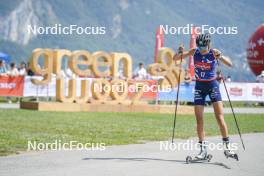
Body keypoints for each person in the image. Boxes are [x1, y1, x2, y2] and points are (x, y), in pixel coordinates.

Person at [173, 33, 236, 159]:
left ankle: (228, 148)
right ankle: (203, 151)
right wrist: (179, 52)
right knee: (199, 120)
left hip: (212, 86)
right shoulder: (194, 52)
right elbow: (176, 58)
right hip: (199, 87)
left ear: (209, 44)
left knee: (219, 118)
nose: (202, 49)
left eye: (204, 47)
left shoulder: (214, 52)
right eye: (200, 46)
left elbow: (230, 64)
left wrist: (221, 56)